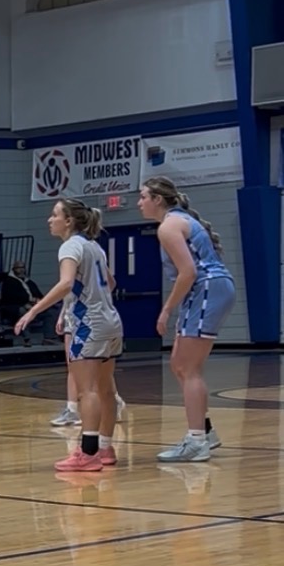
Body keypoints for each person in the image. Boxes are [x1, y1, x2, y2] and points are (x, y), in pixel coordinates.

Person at [16, 199, 123, 471]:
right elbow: (110, 282)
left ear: (69, 221)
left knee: (86, 391)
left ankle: (87, 455)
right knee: (106, 389)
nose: (49, 220)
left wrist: (34, 311)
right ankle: (105, 448)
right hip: (111, 320)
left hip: (89, 324)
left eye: (54, 215)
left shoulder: (71, 245)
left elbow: (65, 283)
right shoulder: (94, 247)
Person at [139, 176, 233, 462]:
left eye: (143, 196)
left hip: (207, 287)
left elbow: (188, 272)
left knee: (188, 368)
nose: (139, 202)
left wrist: (166, 309)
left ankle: (196, 442)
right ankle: (204, 431)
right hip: (206, 290)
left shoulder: (168, 226)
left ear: (157, 199)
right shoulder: (176, 220)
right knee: (180, 365)